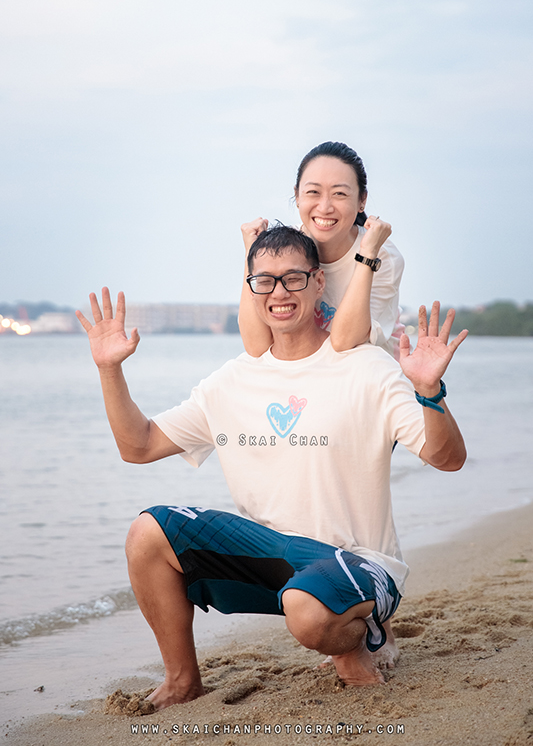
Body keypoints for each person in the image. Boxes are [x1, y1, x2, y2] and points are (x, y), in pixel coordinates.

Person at [76, 225, 467, 712]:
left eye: (293, 278)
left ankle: (364, 633)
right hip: (274, 561)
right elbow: (139, 445)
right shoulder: (232, 381)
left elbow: (447, 458)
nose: (279, 293)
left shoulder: (366, 367)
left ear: (319, 282)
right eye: (264, 280)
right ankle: (181, 680)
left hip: (363, 564)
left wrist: (430, 392)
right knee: (147, 533)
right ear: (250, 287)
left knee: (307, 611)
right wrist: (109, 369)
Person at [239, 141, 405, 359]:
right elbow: (257, 346)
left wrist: (367, 255)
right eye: (313, 192)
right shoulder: (288, 250)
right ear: (297, 197)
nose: (325, 207)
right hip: (315, 376)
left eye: (339, 194)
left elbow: (344, 342)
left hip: (370, 375)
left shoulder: (382, 256)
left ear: (361, 200)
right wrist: (252, 254)